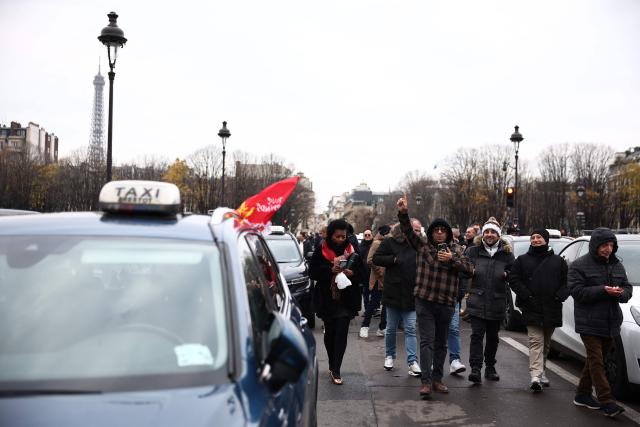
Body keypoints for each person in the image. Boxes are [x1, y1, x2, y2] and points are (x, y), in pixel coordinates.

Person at [396, 196, 473, 399]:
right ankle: (426, 382)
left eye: (443, 230)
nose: (439, 233)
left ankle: (438, 379)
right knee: (427, 342)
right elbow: (407, 231)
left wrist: (452, 259)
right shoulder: (423, 247)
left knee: (441, 343)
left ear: (448, 234)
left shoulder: (456, 249)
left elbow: (470, 270)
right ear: (431, 233)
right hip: (425, 300)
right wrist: (403, 213)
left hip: (447, 303)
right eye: (436, 230)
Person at [568, 228, 632, 418]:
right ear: (595, 245)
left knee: (596, 360)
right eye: (605, 245)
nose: (608, 249)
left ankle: (582, 394)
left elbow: (627, 287)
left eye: (611, 245)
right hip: (588, 322)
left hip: (611, 321)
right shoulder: (579, 265)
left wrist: (622, 293)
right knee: (597, 362)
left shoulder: (616, 264)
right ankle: (607, 401)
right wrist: (603, 290)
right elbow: (577, 292)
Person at [508, 228, 569, 392]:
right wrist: (526, 295)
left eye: (539, 237)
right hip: (531, 307)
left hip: (552, 307)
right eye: (533, 237)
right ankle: (535, 375)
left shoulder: (558, 261)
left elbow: (567, 282)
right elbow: (513, 279)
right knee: (536, 341)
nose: (535, 240)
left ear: (546, 240)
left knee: (546, 343)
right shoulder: (522, 260)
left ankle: (541, 372)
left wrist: (559, 296)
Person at [309, 219, 362, 385]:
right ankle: (332, 362)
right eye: (337, 236)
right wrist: (330, 270)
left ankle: (336, 367)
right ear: (331, 236)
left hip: (347, 299)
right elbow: (312, 272)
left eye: (343, 236)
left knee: (342, 332)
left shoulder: (352, 251)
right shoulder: (321, 250)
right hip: (327, 298)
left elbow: (362, 273)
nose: (341, 239)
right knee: (330, 332)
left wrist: (351, 272)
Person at [463, 216, 514, 384]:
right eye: (487, 232)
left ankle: (490, 367)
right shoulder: (473, 251)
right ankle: (475, 369)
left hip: (497, 301)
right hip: (477, 300)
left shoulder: (506, 254)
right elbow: (463, 269)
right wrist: (470, 271)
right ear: (482, 234)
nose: (490, 235)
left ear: (499, 235)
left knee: (493, 337)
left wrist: (508, 275)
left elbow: (514, 274)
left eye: (493, 232)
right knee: (477, 336)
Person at [372, 221, 421, 377]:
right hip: (393, 292)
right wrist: (392, 260)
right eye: (412, 229)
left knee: (411, 329)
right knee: (391, 328)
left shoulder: (417, 245)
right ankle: (389, 356)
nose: (414, 232)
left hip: (411, 293)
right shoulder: (389, 242)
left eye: (416, 230)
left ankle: (412, 361)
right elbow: (376, 258)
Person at [361, 225, 391, 338]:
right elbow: (369, 260)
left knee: (386, 305)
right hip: (378, 279)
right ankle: (364, 327)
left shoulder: (389, 243)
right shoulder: (376, 243)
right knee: (373, 303)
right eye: (389, 232)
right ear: (385, 233)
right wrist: (380, 271)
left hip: (387, 280)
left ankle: (382, 328)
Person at [359, 229, 374, 310]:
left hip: (373, 272)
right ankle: (367, 308)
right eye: (366, 235)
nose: (367, 236)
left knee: (374, 292)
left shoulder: (375, 245)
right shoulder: (361, 245)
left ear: (372, 235)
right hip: (364, 273)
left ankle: (373, 308)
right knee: (365, 292)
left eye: (369, 235)